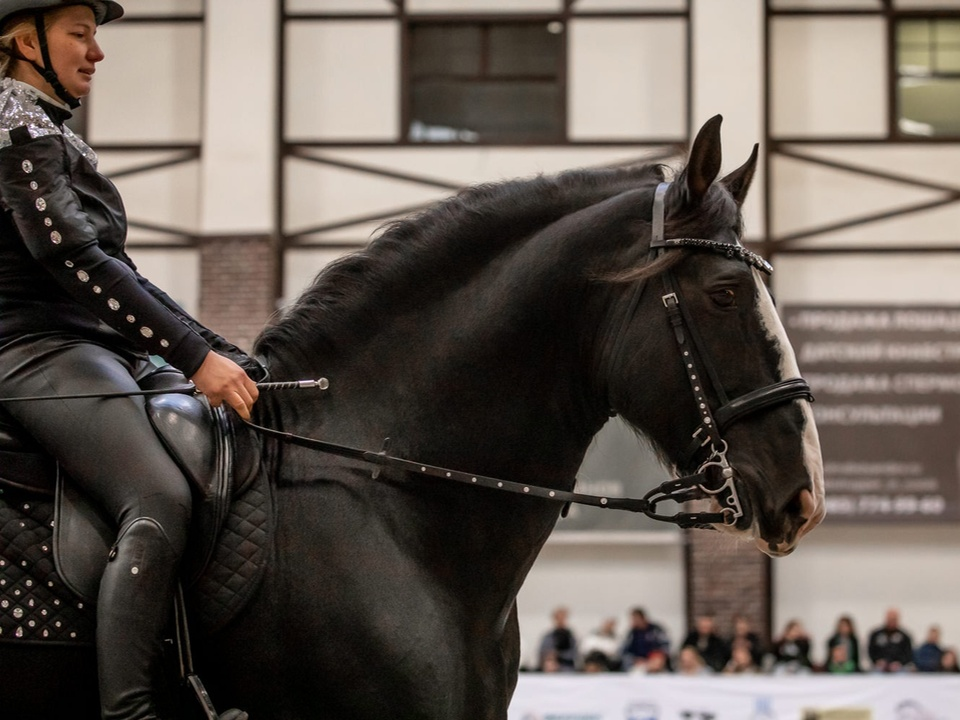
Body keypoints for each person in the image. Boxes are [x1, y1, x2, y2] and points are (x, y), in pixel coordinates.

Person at [0, 2, 260, 718]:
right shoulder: (14, 124)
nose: (96, 52)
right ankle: (131, 710)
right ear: (25, 41)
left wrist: (220, 353)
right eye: (79, 34)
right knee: (156, 497)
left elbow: (124, 272)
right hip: (33, 349)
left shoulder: (50, 129)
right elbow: (73, 258)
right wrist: (193, 356)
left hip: (101, 347)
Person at [620, 606, 670, 672]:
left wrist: (653, 659)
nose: (635, 622)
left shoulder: (655, 630)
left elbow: (665, 646)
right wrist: (634, 660)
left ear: (643, 618)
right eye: (633, 619)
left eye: (636, 619)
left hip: (654, 661)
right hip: (637, 663)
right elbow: (623, 651)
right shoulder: (631, 633)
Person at [867, 608, 914, 673]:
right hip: (879, 667)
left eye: (894, 619)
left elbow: (908, 653)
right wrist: (877, 661)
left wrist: (900, 663)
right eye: (890, 619)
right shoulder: (876, 635)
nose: (891, 622)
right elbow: (871, 651)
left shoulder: (904, 636)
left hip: (899, 668)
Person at [537, 606, 577, 671]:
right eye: (558, 618)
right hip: (549, 670)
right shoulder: (548, 637)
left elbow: (574, 654)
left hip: (567, 670)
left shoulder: (571, 637)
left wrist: (559, 655)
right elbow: (542, 654)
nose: (560, 621)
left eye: (563, 618)